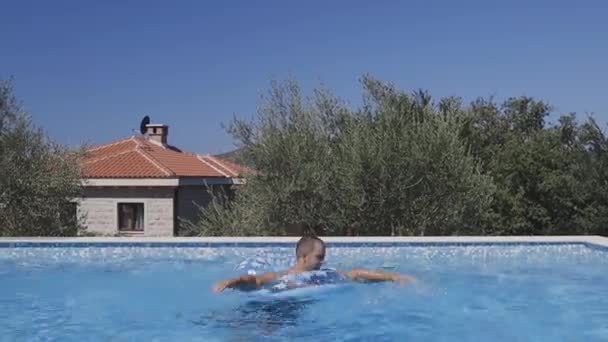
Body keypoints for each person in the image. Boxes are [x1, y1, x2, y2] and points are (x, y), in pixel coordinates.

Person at [213, 235, 416, 293]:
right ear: (304, 257)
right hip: (280, 311)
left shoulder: (325, 273)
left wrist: (392, 276)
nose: (322, 261)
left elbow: (356, 273)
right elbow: (256, 280)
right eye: (319, 257)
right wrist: (234, 280)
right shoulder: (282, 276)